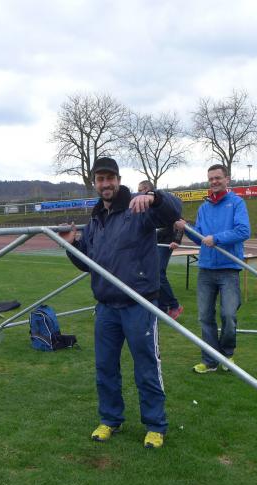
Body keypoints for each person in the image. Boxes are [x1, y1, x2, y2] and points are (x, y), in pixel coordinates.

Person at [61, 157, 181, 449]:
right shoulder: (95, 220)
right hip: (106, 307)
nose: (106, 184)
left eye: (110, 178)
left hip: (139, 305)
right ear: (95, 183)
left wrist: (154, 197)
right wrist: (71, 244)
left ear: (118, 179)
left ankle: (155, 425)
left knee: (146, 367)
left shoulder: (137, 207)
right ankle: (110, 419)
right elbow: (88, 263)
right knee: (105, 368)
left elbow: (173, 212)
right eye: (100, 179)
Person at [174, 164, 250, 374]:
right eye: (211, 179)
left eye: (218, 178)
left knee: (228, 315)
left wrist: (216, 238)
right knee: (205, 317)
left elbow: (243, 231)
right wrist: (186, 228)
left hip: (228, 268)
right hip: (206, 269)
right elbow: (200, 238)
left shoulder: (237, 203)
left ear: (227, 179)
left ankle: (227, 355)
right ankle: (209, 360)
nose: (214, 181)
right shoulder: (204, 208)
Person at [137, 180, 184, 320]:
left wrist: (177, 240)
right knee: (151, 273)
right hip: (155, 242)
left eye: (140, 190)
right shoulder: (146, 206)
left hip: (167, 242)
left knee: (159, 272)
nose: (139, 193)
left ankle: (174, 305)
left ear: (146, 189)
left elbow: (180, 220)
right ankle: (162, 307)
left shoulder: (162, 200)